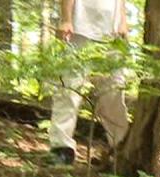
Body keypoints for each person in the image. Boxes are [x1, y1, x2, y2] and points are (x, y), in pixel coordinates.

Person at [47, 0, 131, 166]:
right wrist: (66, 19)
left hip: (112, 35)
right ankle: (61, 148)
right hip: (79, 30)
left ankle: (120, 147)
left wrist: (123, 22)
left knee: (113, 95)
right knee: (69, 90)